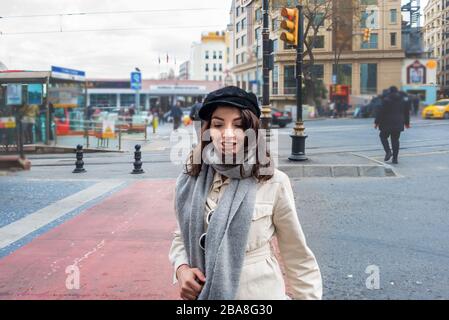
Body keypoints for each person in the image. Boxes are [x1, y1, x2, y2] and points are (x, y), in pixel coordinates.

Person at [169, 86, 322, 300]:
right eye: (218, 124)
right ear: (207, 130)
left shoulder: (273, 181)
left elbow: (298, 256)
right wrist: (182, 268)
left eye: (239, 125)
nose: (228, 134)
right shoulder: (189, 180)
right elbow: (181, 237)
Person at [375, 86, 411, 164]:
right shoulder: (402, 100)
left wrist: (376, 122)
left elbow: (380, 112)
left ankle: (388, 151)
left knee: (383, 136)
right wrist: (407, 123)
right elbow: (406, 113)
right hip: (398, 123)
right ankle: (395, 159)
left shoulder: (385, 100)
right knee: (395, 140)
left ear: (389, 91)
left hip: (386, 123)